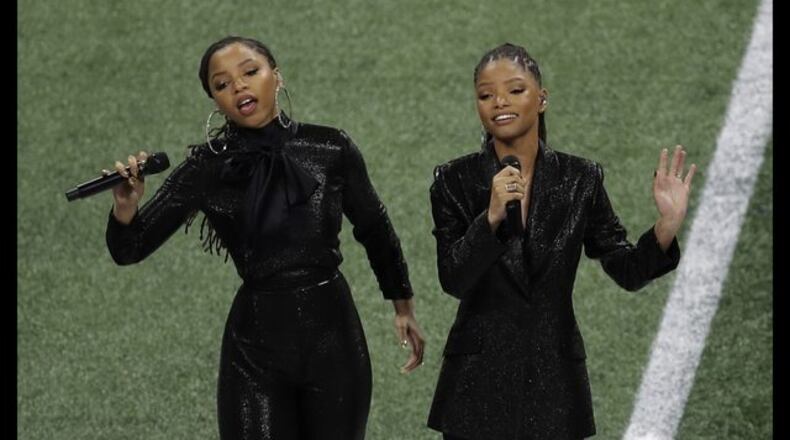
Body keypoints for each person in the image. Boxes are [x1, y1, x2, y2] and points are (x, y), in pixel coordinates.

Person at [104, 35, 425, 440]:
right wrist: (126, 206)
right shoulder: (207, 167)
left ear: (276, 76)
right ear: (215, 101)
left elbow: (374, 227)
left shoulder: (330, 147)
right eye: (222, 84)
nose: (238, 86)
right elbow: (130, 248)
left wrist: (402, 306)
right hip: (255, 350)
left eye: (250, 72)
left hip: (333, 340)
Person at [425, 43, 697, 439]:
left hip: (554, 383)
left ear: (542, 98)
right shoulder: (453, 181)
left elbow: (626, 270)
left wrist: (667, 225)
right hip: (476, 389)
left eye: (515, 90)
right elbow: (453, 279)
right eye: (486, 95)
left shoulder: (580, 179)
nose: (500, 102)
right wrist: (491, 218)